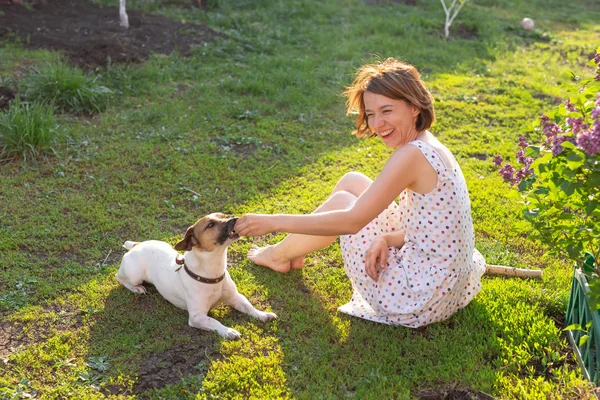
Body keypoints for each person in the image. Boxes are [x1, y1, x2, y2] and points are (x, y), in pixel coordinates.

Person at [234, 58, 486, 328]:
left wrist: (273, 221)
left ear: (414, 107)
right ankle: (289, 252)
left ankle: (278, 255)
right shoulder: (430, 144)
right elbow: (431, 228)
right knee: (353, 180)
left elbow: (352, 222)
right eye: (370, 114)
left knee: (344, 203)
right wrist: (387, 238)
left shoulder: (412, 155)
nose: (378, 124)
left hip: (419, 299)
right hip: (450, 286)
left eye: (387, 111)